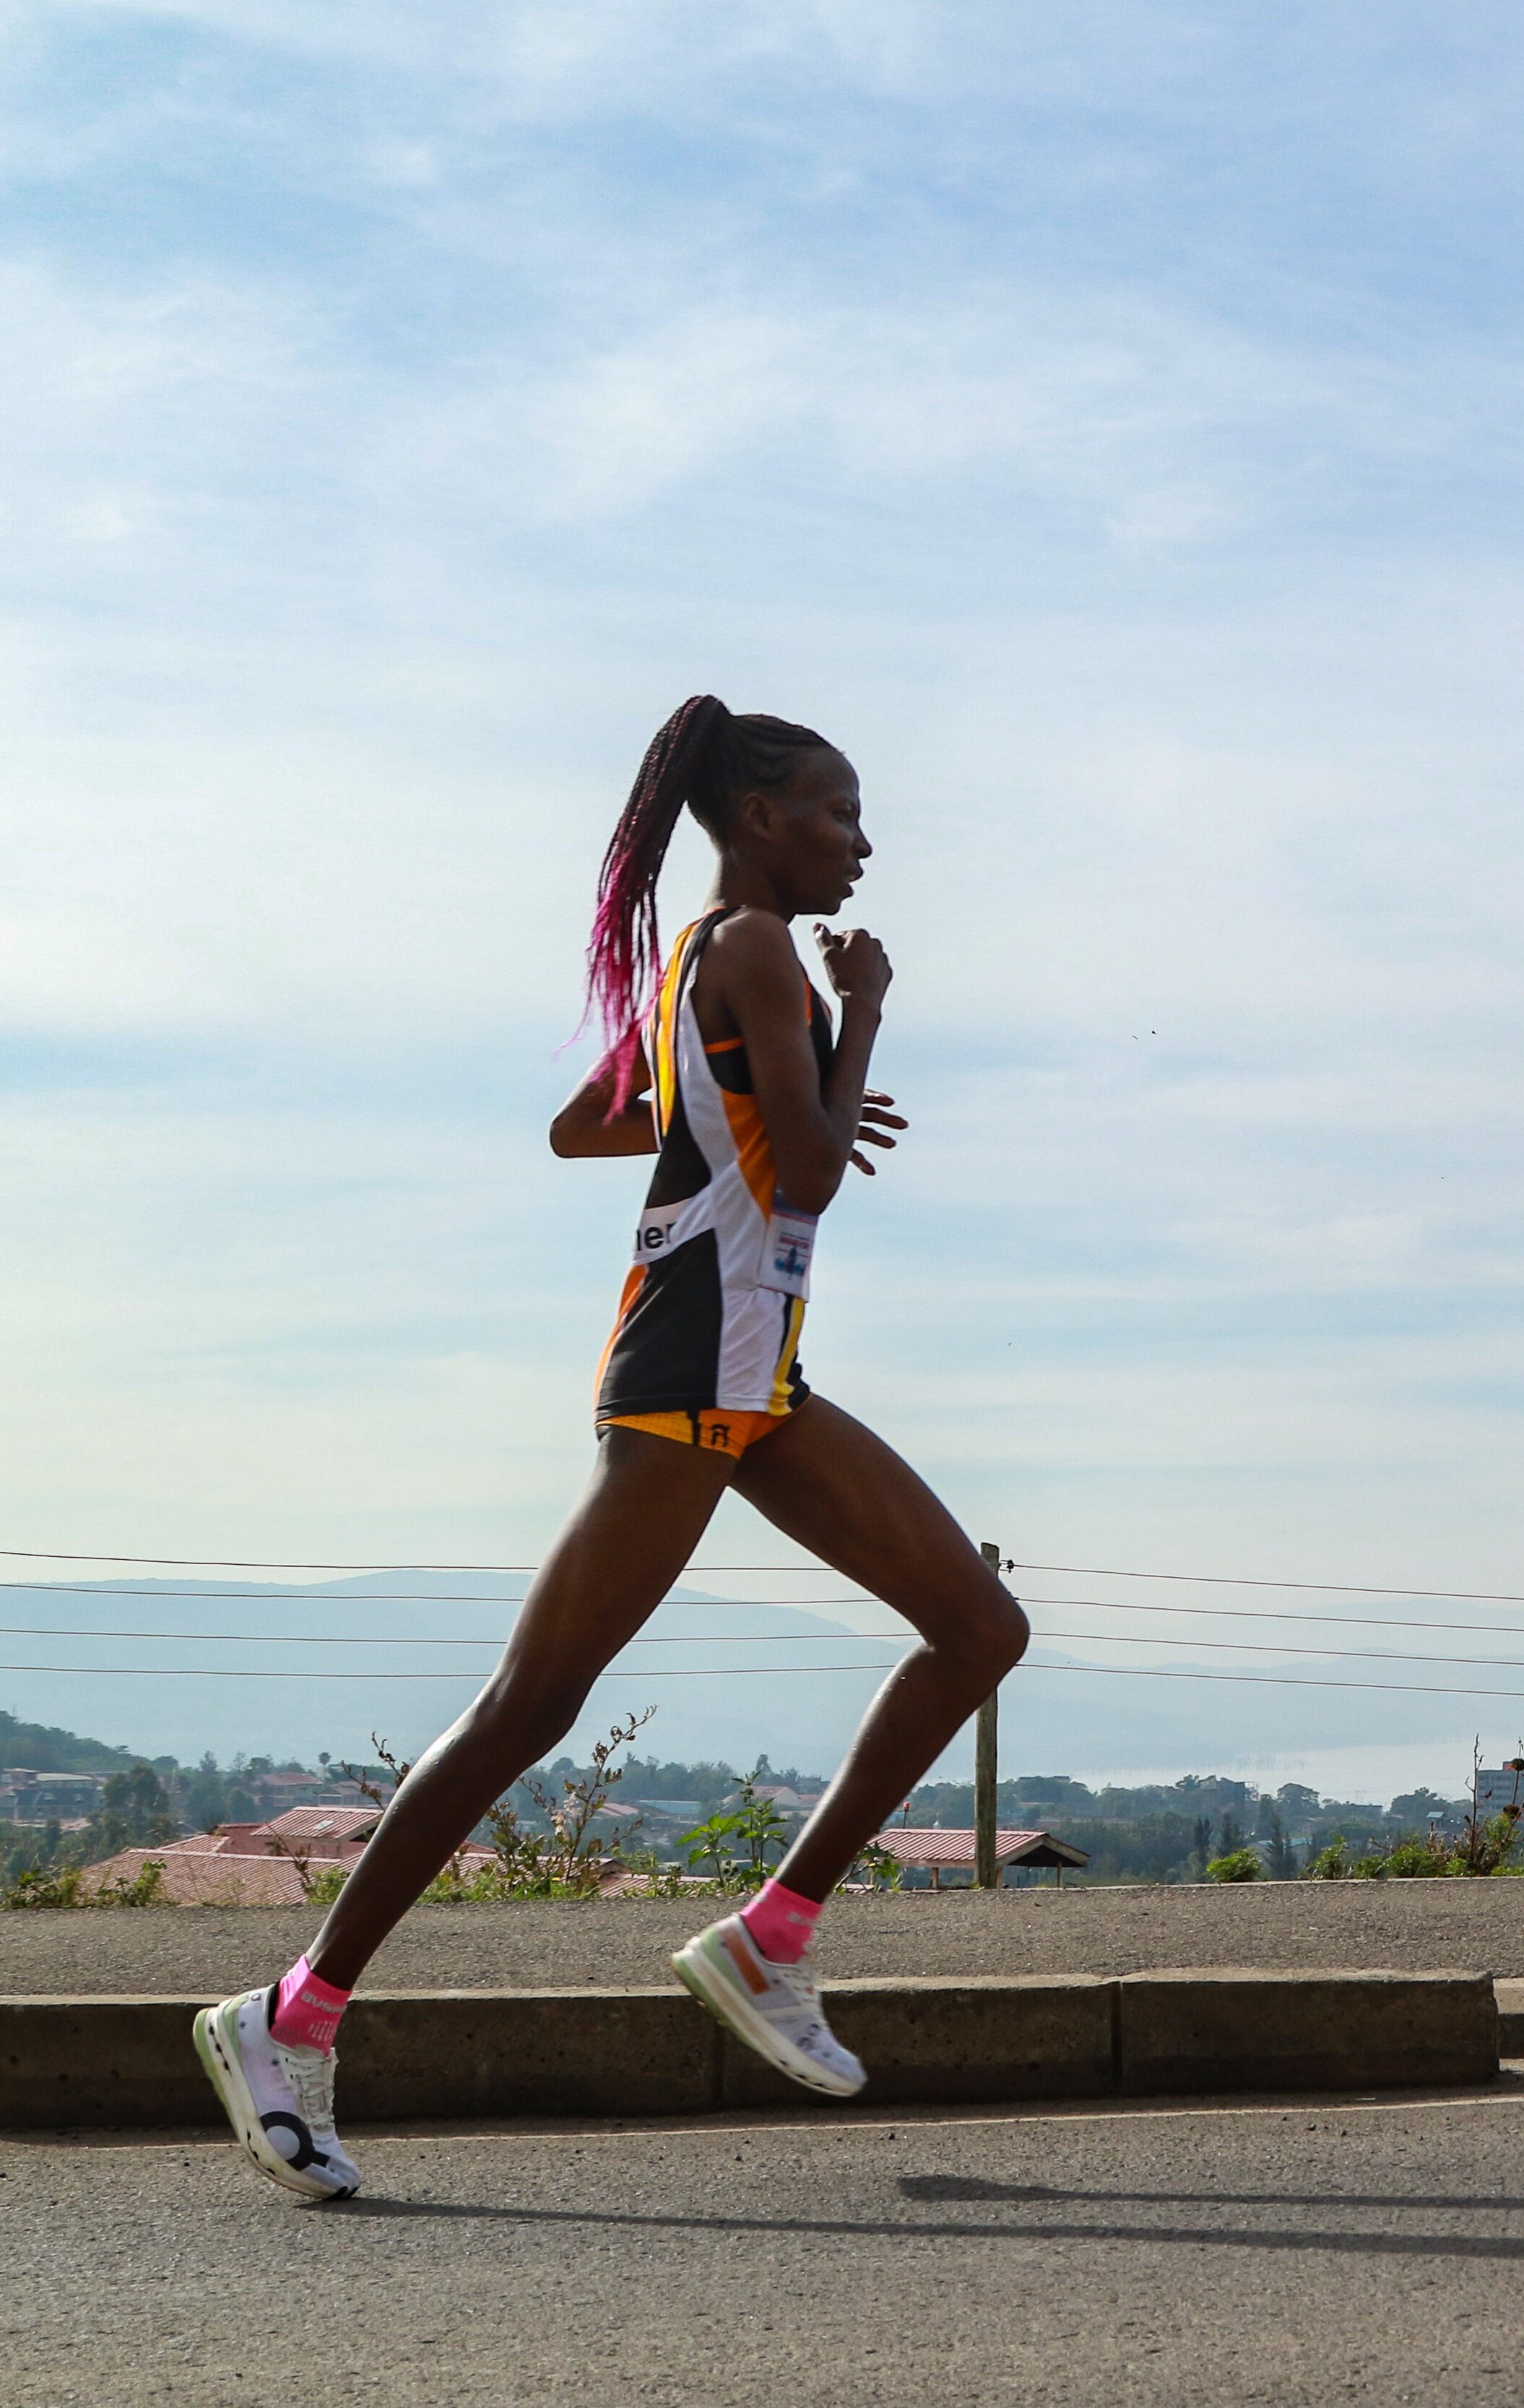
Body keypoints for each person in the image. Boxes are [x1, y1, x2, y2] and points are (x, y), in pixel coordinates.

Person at [194, 696, 1028, 2201]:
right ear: (765, 815)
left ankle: (770, 1934)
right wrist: (861, 1027)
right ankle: (286, 2012)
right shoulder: (762, 945)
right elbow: (819, 1181)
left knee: (977, 1624)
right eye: (841, 811)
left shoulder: (703, 954)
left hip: (747, 1374)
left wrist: (741, 1102)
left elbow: (590, 1126)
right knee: (528, 1705)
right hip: (688, 1372)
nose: (865, 841)